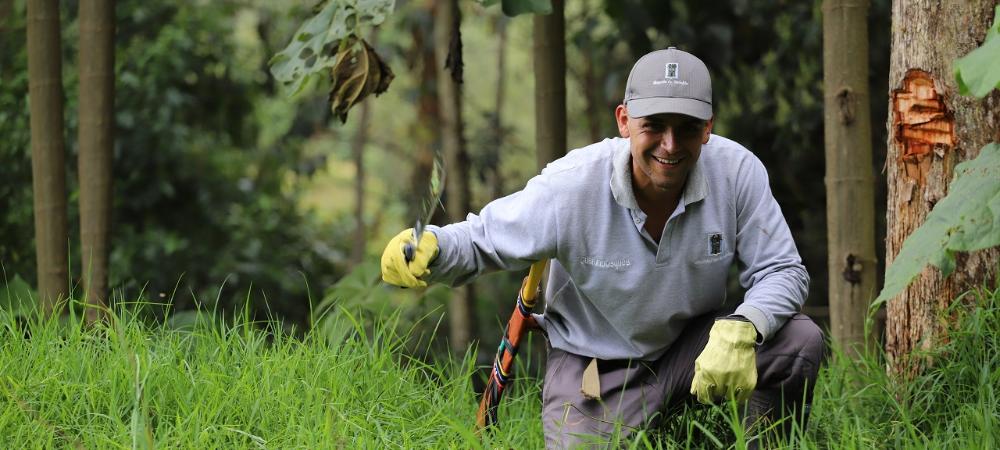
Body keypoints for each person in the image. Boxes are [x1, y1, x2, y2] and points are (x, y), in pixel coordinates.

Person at [380, 47, 824, 448]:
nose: (670, 145)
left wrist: (745, 326)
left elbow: (783, 270)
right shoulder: (573, 186)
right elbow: (482, 240)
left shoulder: (737, 173)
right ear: (624, 121)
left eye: (686, 129)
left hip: (694, 348)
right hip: (597, 366)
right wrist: (431, 249)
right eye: (654, 126)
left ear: (707, 128)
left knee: (797, 341)